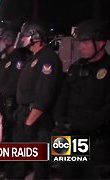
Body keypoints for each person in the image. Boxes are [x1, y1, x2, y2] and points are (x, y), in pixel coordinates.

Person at [54, 19, 110, 179]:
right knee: (67, 174)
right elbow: (63, 96)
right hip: (70, 137)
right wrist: (59, 121)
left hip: (97, 143)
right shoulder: (75, 67)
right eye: (80, 42)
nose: (80, 46)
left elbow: (106, 111)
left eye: (85, 42)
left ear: (99, 43)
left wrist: (80, 125)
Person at [11, 21, 63, 179]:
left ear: (36, 37)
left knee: (39, 164)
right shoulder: (35, 57)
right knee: (20, 161)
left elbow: (44, 95)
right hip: (25, 116)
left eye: (26, 35)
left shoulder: (48, 58)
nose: (24, 39)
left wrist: (29, 123)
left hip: (37, 122)